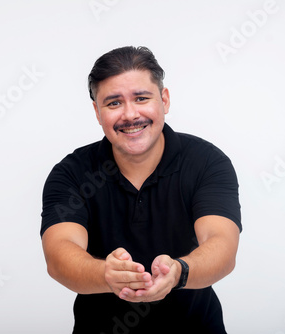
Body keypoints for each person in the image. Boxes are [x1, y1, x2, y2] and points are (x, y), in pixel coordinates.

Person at [40, 46, 242, 333]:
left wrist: (178, 272)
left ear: (164, 99)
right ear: (97, 112)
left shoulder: (207, 162)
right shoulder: (71, 173)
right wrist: (106, 274)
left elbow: (222, 245)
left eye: (141, 98)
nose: (130, 114)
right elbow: (59, 255)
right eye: (113, 103)